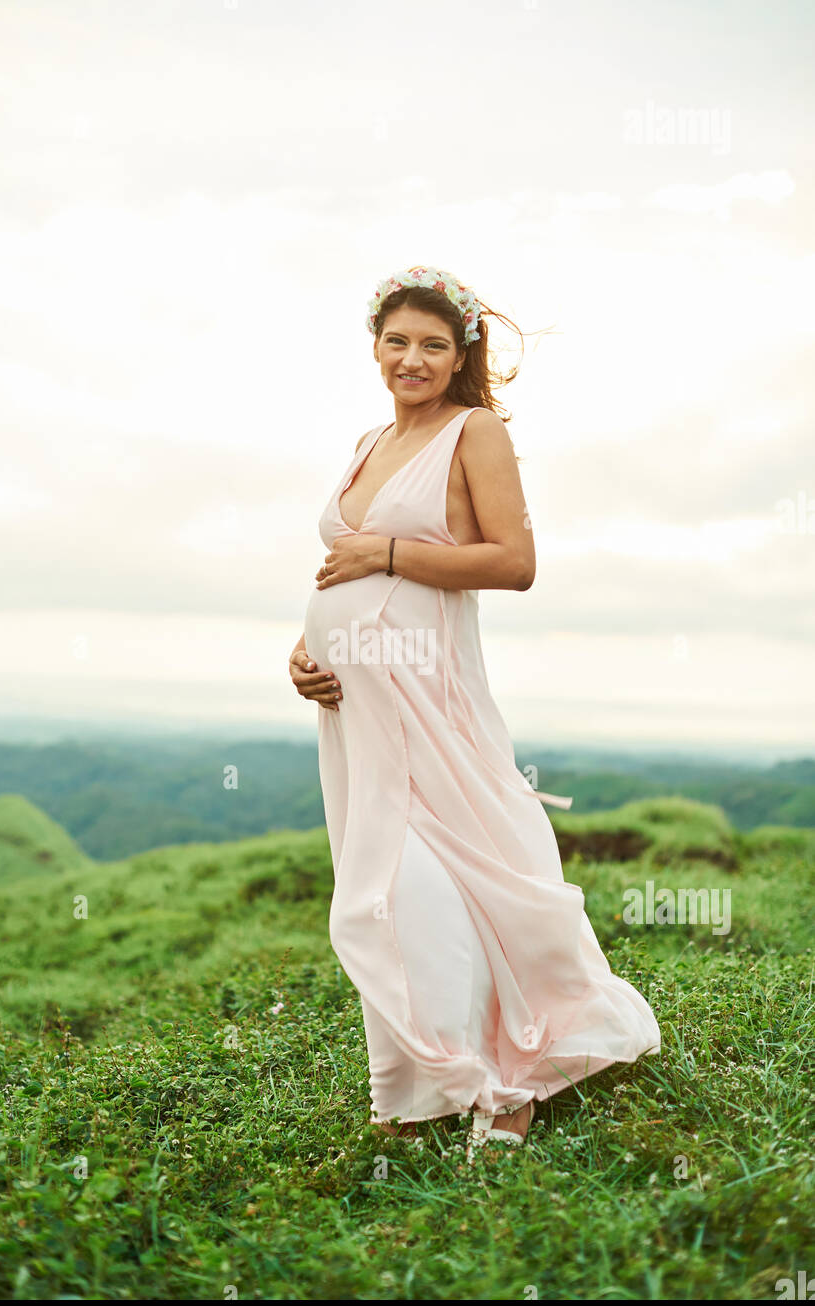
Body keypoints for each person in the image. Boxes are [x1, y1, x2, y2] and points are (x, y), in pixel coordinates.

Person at [289, 265, 660, 1160]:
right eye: (395, 341)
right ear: (374, 347)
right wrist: (305, 654)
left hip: (430, 699)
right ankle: (419, 1080)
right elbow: (338, 580)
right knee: (380, 887)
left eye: (431, 344)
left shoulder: (474, 432)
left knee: (438, 881)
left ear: (460, 355)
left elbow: (512, 561)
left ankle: (511, 1078)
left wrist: (385, 549)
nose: (410, 357)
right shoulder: (368, 438)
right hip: (354, 712)